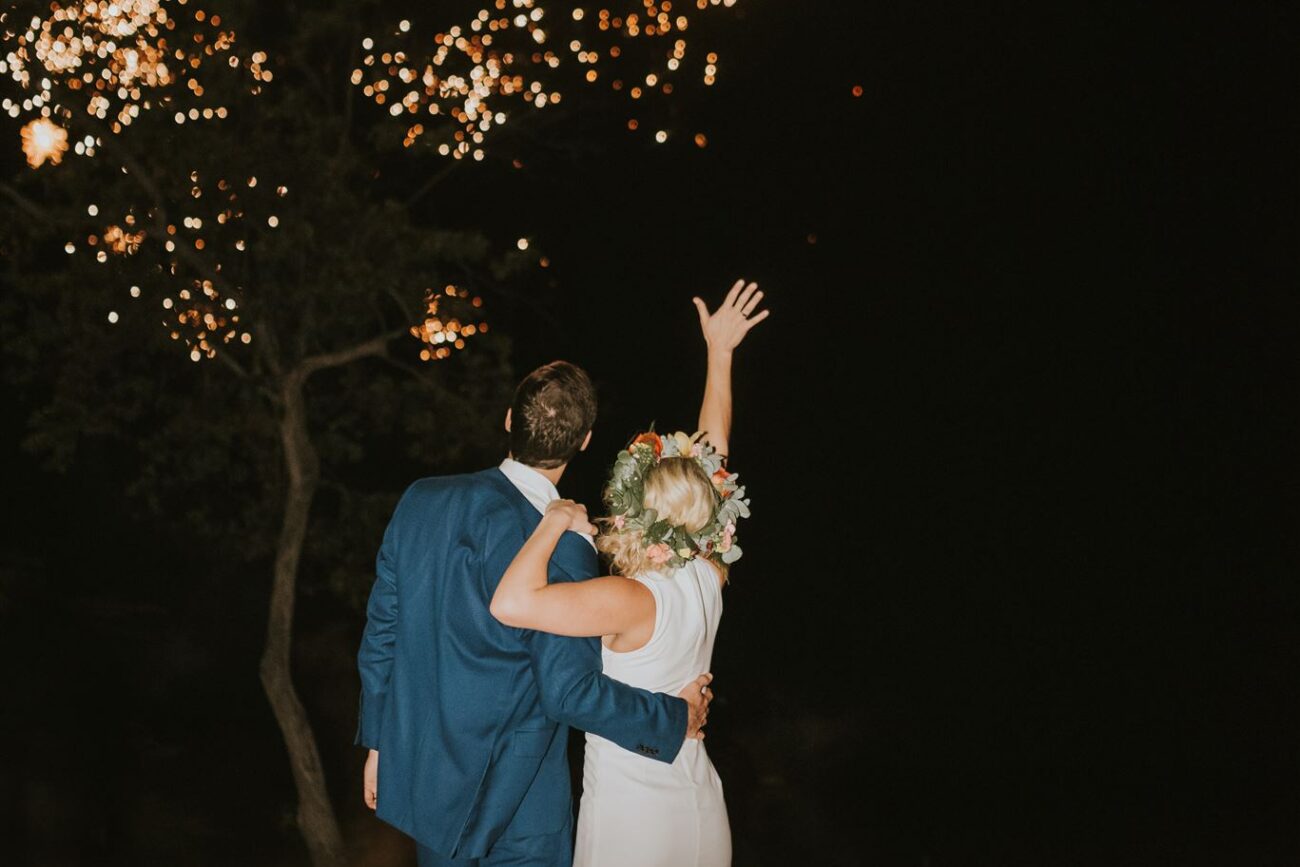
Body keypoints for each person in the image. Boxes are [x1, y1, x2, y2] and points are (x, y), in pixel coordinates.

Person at [354, 359, 714, 867]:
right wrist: (673, 718)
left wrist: (380, 745)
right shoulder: (567, 548)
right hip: (521, 811)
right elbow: (568, 691)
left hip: (424, 782)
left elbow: (382, 635)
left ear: (508, 420)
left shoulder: (422, 501)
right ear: (584, 440)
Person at [490, 279, 769, 867]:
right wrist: (721, 355)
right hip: (699, 806)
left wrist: (555, 521)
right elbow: (716, 458)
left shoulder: (628, 599)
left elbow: (511, 603)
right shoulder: (709, 574)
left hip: (634, 823)